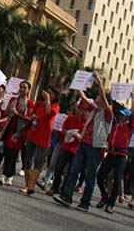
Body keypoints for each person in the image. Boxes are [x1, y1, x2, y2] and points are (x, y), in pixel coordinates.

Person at [54, 72, 113, 211]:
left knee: (89, 174)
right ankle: (66, 197)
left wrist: (99, 82)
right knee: (74, 169)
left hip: (95, 146)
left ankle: (85, 202)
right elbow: (83, 97)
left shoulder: (107, 113)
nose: (96, 98)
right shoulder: (94, 110)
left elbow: (103, 98)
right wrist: (78, 83)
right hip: (84, 144)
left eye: (98, 96)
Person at [96, 92, 134, 214]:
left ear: (127, 118)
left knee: (117, 180)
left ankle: (110, 204)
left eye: (123, 115)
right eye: (120, 115)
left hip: (121, 155)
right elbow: (109, 109)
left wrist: (133, 99)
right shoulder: (115, 125)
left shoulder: (129, 127)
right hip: (111, 153)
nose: (121, 116)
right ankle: (105, 195)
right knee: (100, 175)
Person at [20, 87, 60, 195]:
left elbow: (48, 113)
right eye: (48, 93)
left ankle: (31, 186)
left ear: (55, 97)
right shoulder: (38, 104)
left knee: (38, 161)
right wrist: (33, 117)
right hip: (33, 133)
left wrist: (47, 100)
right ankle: (27, 185)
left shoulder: (55, 107)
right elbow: (34, 114)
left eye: (51, 94)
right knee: (27, 159)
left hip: (44, 136)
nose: (49, 95)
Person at [0, 80, 35, 186]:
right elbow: (5, 113)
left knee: (13, 153)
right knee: (7, 151)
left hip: (19, 131)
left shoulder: (30, 104)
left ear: (28, 90)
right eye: (21, 87)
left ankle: (6, 175)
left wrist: (17, 114)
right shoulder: (14, 100)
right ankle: (8, 175)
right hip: (9, 128)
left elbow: (29, 119)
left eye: (24, 88)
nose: (22, 89)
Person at [46, 102, 87, 196]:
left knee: (70, 171)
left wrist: (80, 137)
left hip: (76, 149)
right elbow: (63, 129)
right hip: (66, 146)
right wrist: (68, 133)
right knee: (59, 167)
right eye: (81, 109)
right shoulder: (71, 118)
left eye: (84, 110)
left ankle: (64, 189)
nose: (82, 112)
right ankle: (55, 187)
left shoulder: (86, 122)